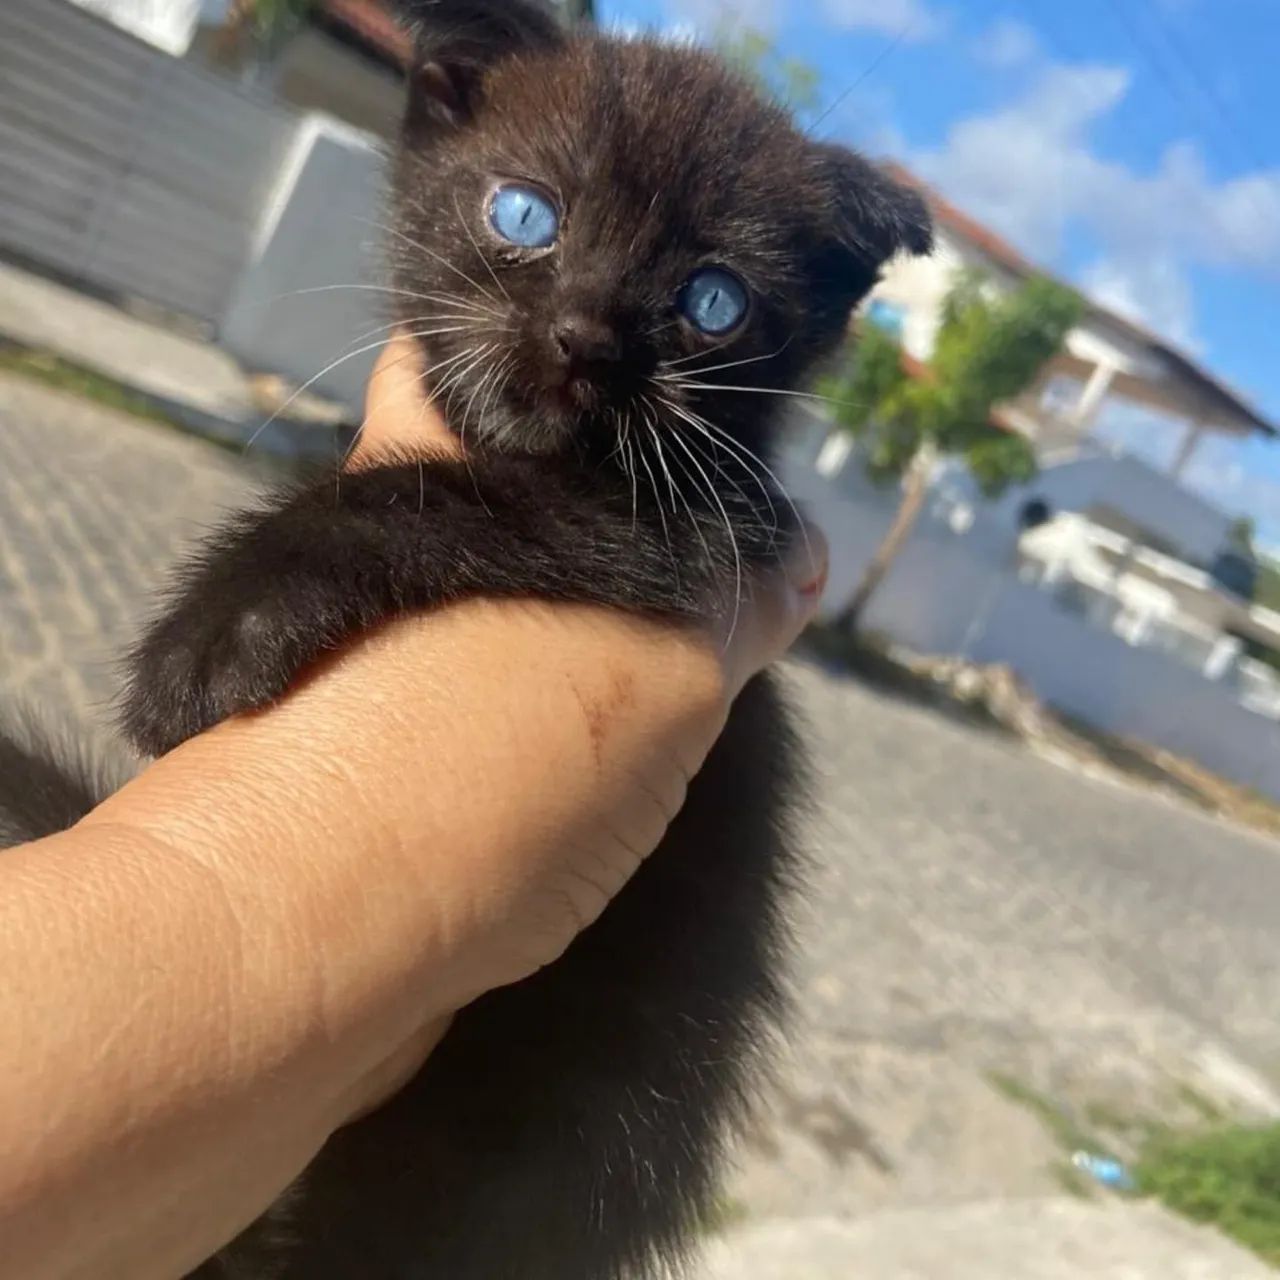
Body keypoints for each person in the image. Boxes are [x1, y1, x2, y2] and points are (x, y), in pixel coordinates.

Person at [0, 334, 827, 1280]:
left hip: (454, 1193)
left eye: (711, 306)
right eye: (524, 242)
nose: (583, 327)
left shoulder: (690, 548)